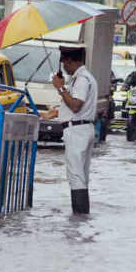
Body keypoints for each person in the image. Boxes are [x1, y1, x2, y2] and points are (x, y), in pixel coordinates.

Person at [41, 46, 98, 214]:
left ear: (70, 61)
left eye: (64, 62)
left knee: (76, 177)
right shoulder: (81, 78)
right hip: (81, 129)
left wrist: (60, 88)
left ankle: (79, 217)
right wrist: (54, 112)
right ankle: (82, 218)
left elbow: (75, 105)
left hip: (77, 131)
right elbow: (73, 105)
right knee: (81, 176)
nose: (63, 66)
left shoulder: (82, 79)